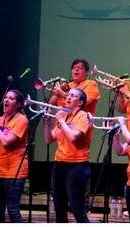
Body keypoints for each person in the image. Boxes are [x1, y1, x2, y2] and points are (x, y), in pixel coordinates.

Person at [44, 87, 93, 223]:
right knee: (59, 207)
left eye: (73, 96)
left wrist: (61, 121)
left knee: (77, 208)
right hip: (60, 163)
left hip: (77, 165)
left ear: (81, 102)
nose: (68, 97)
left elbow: (73, 137)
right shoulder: (63, 116)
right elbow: (48, 139)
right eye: (68, 95)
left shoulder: (83, 115)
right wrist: (47, 122)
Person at [0, 89, 29, 223]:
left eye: (11, 98)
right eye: (6, 97)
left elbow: (7, 142)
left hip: (15, 172)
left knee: (13, 210)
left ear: (18, 104)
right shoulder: (0, 119)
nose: (7, 100)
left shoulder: (22, 120)